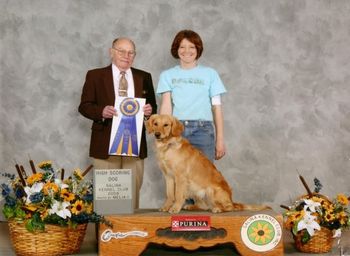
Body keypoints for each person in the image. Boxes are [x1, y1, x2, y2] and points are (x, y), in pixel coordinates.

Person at [79, 37, 157, 209]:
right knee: (108, 198)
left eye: (131, 52)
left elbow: (153, 109)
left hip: (134, 145)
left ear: (134, 56)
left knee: (131, 196)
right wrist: (101, 112)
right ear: (111, 52)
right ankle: (108, 234)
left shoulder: (144, 77)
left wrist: (149, 113)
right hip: (105, 144)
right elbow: (84, 106)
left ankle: (129, 233)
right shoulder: (95, 75)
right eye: (121, 51)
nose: (126, 55)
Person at [157, 30, 226, 162]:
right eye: (182, 47)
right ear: (176, 49)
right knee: (178, 175)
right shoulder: (167, 75)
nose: (186, 51)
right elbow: (166, 106)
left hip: (204, 131)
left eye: (191, 47)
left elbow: (217, 108)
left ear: (198, 49)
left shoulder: (211, 74)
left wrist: (220, 140)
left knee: (204, 176)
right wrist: (165, 134)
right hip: (176, 130)